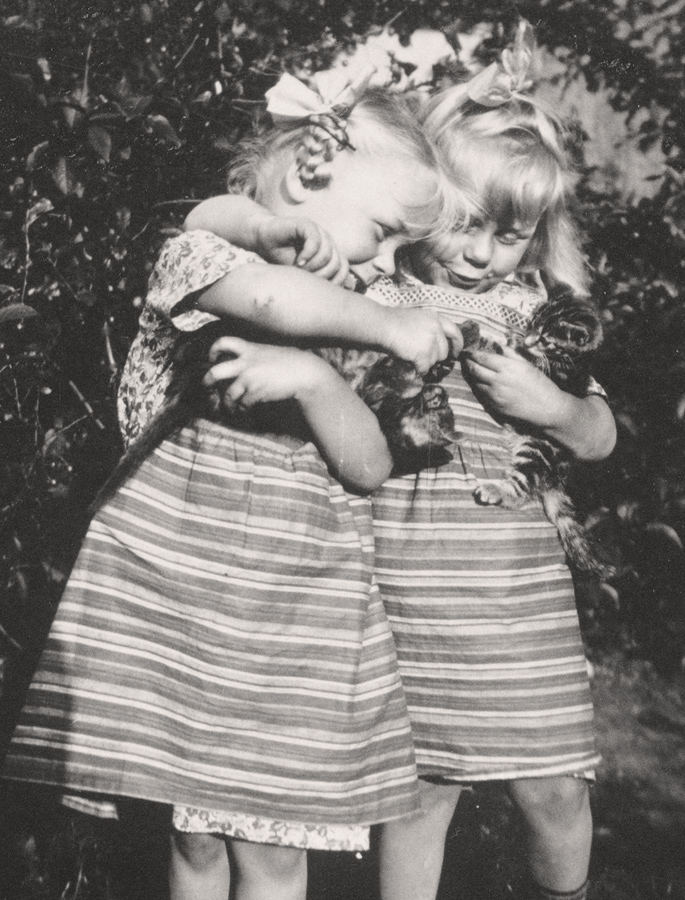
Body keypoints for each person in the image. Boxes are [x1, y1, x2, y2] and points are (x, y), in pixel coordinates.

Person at [2, 70, 462, 900]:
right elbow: (264, 289)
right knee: (197, 837)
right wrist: (387, 322)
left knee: (276, 845)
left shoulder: (347, 319)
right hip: (177, 591)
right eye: (385, 232)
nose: (387, 263)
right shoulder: (207, 259)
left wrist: (317, 384)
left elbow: (369, 467)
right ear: (306, 178)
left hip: (293, 616)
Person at [199, 24, 617, 900]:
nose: (478, 254)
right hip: (397, 577)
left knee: (551, 788)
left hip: (512, 589)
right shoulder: (372, 290)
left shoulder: (538, 315)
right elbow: (226, 240)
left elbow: (599, 435)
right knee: (419, 791)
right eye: (465, 224)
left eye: (510, 236)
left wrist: (549, 405)